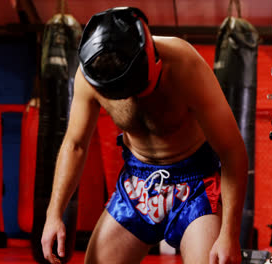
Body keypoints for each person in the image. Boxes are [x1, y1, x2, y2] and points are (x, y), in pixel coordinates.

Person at [41, 7, 248, 264]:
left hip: (196, 183)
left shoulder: (185, 65)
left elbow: (232, 151)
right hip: (138, 184)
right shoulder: (90, 76)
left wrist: (229, 235)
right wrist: (53, 214)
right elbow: (74, 145)